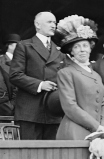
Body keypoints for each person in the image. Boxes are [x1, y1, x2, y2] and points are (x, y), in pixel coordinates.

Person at [9, 11, 66, 140]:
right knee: (30, 157)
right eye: (49, 22)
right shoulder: (24, 46)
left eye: (54, 22)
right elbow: (15, 75)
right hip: (29, 112)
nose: (53, 25)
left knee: (51, 157)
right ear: (37, 24)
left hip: (52, 111)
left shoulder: (59, 51)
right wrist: (40, 84)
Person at [55, 15, 104, 140]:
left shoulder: (96, 75)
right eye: (76, 47)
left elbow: (103, 103)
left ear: (90, 48)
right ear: (71, 51)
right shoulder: (65, 73)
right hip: (75, 131)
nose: (81, 50)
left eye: (84, 45)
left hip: (99, 133)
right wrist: (96, 126)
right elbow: (70, 106)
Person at [0, 34, 20, 115]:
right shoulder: (1, 61)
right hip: (6, 107)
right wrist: (10, 106)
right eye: (17, 45)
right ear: (10, 46)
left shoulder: (23, 62)